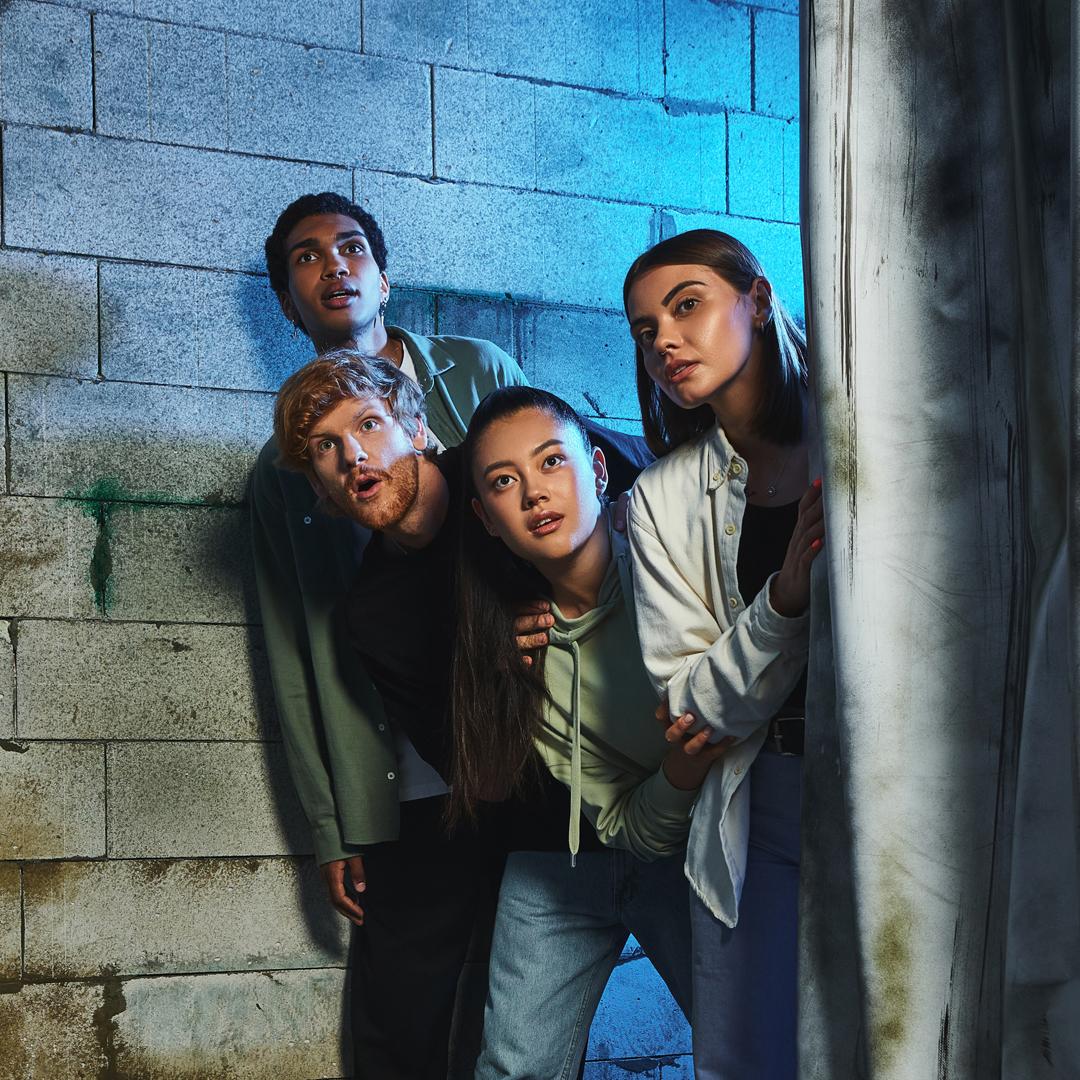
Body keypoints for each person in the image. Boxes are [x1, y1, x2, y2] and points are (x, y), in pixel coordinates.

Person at [250, 190, 528, 1077]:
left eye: (351, 247)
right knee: (403, 1014)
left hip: (540, 738)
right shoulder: (282, 472)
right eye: (305, 257)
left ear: (384, 274)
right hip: (413, 769)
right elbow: (296, 654)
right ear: (288, 303)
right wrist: (335, 825)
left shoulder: (477, 371)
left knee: (521, 997)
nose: (332, 265)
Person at [447, 386, 732, 1079]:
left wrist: (691, 776)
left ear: (599, 472)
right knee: (512, 1071)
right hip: (573, 858)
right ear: (486, 518)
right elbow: (625, 823)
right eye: (504, 482)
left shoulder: (680, 567)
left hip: (703, 852)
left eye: (552, 463)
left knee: (747, 1049)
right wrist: (681, 771)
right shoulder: (520, 654)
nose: (534, 494)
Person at [622, 229, 824, 1079]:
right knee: (749, 1056)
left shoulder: (861, 436)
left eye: (687, 305)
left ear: (760, 297)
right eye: (643, 329)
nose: (664, 339)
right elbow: (688, 704)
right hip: (760, 799)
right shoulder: (660, 499)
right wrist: (783, 600)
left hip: (899, 780)